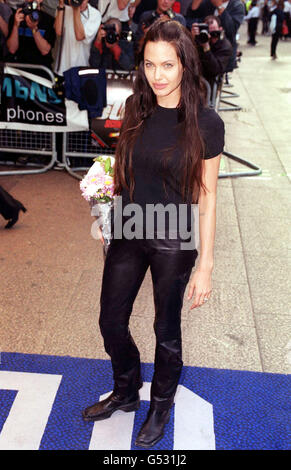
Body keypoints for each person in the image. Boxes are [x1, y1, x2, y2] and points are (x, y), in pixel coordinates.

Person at [82, 19, 224, 448]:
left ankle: (161, 403)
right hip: (128, 228)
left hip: (174, 237)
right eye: (149, 64)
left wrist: (206, 264)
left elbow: (209, 196)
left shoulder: (206, 122)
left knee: (166, 329)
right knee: (110, 319)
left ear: (185, 65)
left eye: (168, 65)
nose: (157, 75)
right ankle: (126, 391)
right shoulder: (134, 109)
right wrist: (104, 193)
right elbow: (128, 169)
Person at [186, 0, 245, 70]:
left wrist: (219, 6)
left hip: (223, 52)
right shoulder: (209, 3)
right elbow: (191, 15)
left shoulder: (237, 5)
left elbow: (231, 31)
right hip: (203, 50)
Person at [54, 0, 101, 76]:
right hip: (62, 68)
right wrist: (61, 5)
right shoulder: (64, 9)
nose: (80, 1)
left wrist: (76, 8)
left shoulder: (95, 14)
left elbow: (79, 36)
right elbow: (59, 31)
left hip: (81, 69)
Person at [6, 0, 56, 68]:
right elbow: (12, 49)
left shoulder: (48, 20)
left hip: (39, 69)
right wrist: (15, 26)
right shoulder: (16, 17)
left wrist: (34, 29)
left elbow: (45, 51)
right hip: (17, 67)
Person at [191, 15, 233, 87]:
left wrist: (206, 48)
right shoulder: (198, 39)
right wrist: (191, 38)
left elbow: (215, 70)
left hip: (209, 81)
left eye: (214, 31)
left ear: (220, 29)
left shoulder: (225, 46)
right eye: (208, 31)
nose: (210, 35)